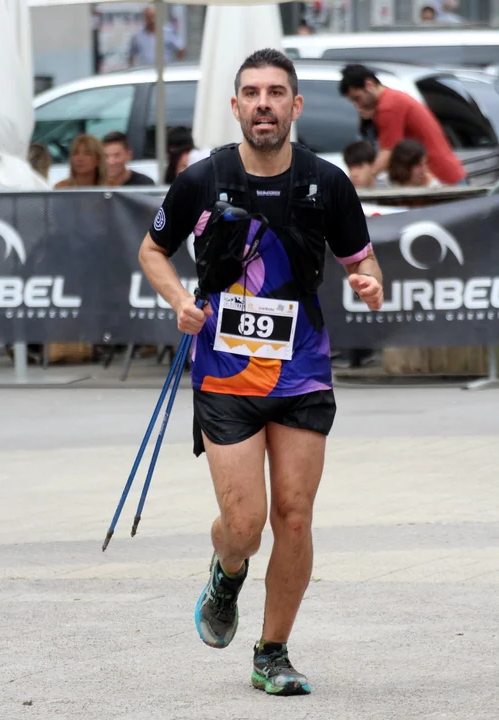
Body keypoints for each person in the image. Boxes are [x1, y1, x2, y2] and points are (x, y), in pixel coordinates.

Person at [139, 48, 383, 696]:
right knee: (244, 527)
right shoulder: (202, 179)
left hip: (302, 370)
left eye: (276, 93)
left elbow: (363, 260)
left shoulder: (327, 183)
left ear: (295, 105)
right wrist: (180, 301)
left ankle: (271, 652)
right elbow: (152, 250)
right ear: (236, 106)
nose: (264, 104)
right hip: (225, 374)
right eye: (252, 93)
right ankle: (227, 572)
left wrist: (369, 282)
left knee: (294, 518)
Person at [339, 64, 467, 186]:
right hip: (444, 174)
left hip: (440, 178)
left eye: (358, 98)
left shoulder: (388, 107)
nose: (357, 105)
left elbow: (388, 153)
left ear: (369, 84)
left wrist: (369, 177)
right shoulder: (393, 98)